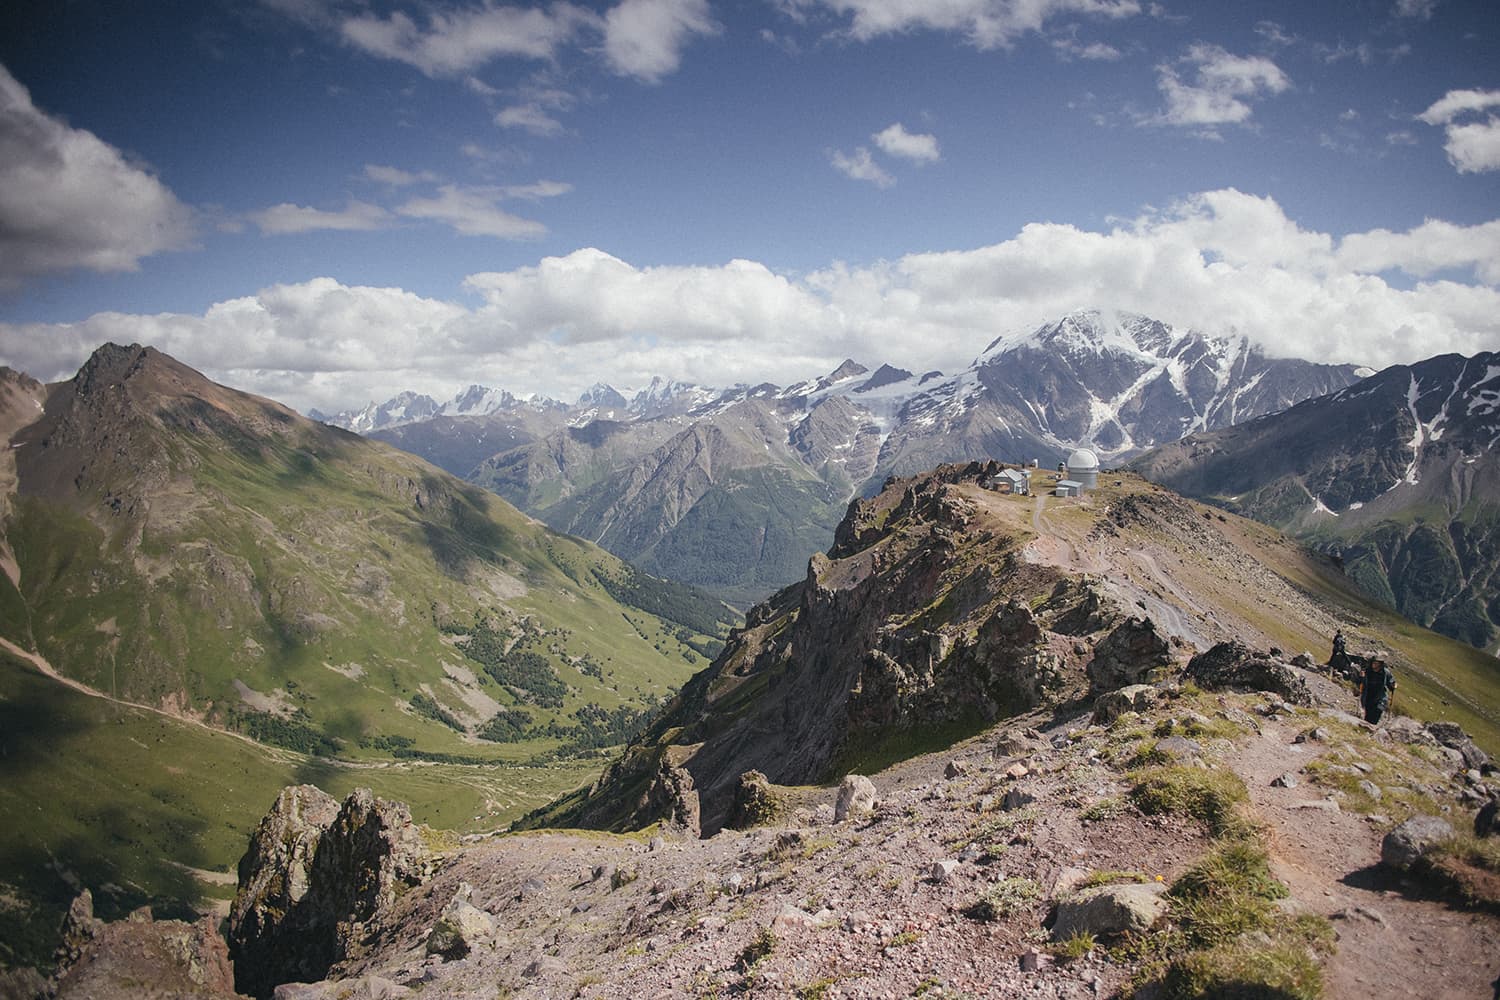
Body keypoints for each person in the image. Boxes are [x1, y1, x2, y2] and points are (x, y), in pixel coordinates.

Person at [1358, 654, 1396, 725]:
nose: (1374, 664)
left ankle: (1371, 726)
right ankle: (1367, 728)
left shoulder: (1385, 673)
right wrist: (1361, 677)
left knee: (1377, 712)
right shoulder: (1367, 671)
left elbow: (1391, 683)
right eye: (1373, 663)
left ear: (1380, 664)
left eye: (1376, 663)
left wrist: (1393, 685)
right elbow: (1359, 682)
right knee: (1368, 717)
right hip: (1369, 697)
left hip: (1380, 698)